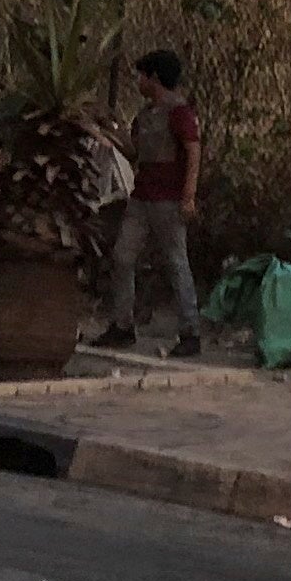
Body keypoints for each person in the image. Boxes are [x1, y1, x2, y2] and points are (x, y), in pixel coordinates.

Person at [91, 49, 205, 359]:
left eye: (141, 75)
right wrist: (110, 131)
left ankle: (191, 331)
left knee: (176, 263)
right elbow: (135, 153)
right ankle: (122, 325)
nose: (138, 81)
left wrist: (188, 196)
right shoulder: (145, 116)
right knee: (122, 258)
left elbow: (193, 152)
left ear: (153, 77)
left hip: (168, 200)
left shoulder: (179, 113)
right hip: (142, 198)